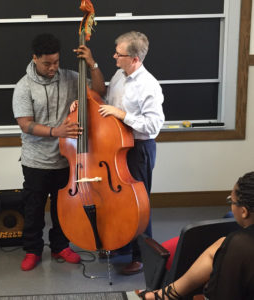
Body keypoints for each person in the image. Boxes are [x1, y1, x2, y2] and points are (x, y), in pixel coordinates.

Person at [12, 33, 105, 271]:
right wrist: (57, 131)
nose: (53, 68)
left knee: (62, 209)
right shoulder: (23, 87)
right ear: (35, 59)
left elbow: (98, 91)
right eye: (47, 63)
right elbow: (25, 124)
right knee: (33, 209)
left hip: (67, 160)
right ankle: (32, 250)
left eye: (56, 62)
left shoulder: (70, 78)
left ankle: (60, 246)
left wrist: (92, 63)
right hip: (36, 162)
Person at [98, 31, 165, 275]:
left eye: (120, 54)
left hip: (138, 148)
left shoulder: (149, 86)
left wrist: (123, 115)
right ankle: (120, 244)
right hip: (116, 147)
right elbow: (107, 103)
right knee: (117, 199)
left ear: (135, 58)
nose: (114, 57)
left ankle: (141, 256)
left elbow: (153, 126)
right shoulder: (118, 74)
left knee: (138, 203)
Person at [136, 171, 254, 300]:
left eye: (231, 201)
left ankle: (165, 295)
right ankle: (166, 294)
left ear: (244, 212)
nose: (231, 205)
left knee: (231, 244)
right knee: (222, 242)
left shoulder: (239, 245)